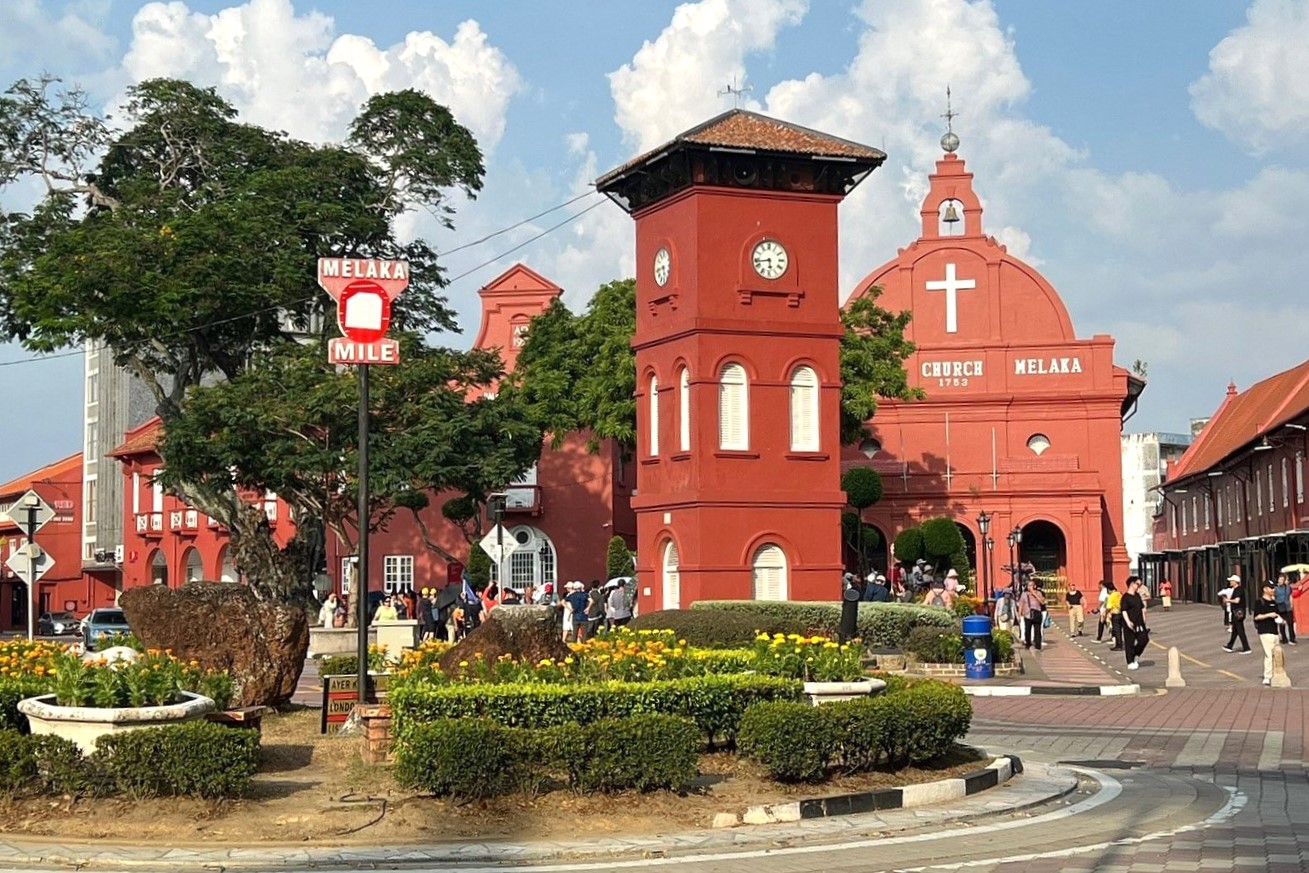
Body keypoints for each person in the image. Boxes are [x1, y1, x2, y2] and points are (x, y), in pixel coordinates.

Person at [1253, 582, 1284, 686]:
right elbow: (1257, 617)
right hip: (1265, 631)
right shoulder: (1259, 602)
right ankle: (1267, 676)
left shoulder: (1274, 602)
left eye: (1273, 588)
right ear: (1265, 589)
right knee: (1269, 654)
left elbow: (1277, 615)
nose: (1273, 590)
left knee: (1276, 654)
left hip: (1275, 630)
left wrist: (1280, 619)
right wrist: (1268, 615)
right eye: (1271, 588)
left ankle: (1276, 673)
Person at [1120, 576, 1147, 670]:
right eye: (1137, 584)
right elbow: (1124, 610)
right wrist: (1128, 622)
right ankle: (1130, 661)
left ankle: (1135, 653)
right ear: (1132, 584)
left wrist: (1144, 619)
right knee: (1129, 643)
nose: (1139, 586)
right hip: (1130, 623)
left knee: (1144, 639)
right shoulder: (1125, 597)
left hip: (1140, 623)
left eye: (1140, 584)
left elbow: (1142, 608)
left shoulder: (1137, 596)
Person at [1223, 578, 1252, 654]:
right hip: (1236, 612)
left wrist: (1228, 600)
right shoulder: (1236, 589)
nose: (1230, 582)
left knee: (1240, 630)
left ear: (1235, 582)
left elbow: (1237, 600)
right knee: (1235, 630)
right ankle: (1230, 646)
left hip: (1238, 613)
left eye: (1231, 581)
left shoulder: (1238, 590)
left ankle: (1246, 648)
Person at [1017, 580, 1047, 650]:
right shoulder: (1024, 594)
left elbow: (1042, 602)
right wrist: (1019, 614)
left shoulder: (1039, 593)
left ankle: (1038, 645)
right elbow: (1021, 604)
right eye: (1029, 585)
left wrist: (1034, 594)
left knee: (1037, 630)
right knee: (1027, 630)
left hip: (1037, 613)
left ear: (1035, 586)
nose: (1030, 587)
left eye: (1031, 585)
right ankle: (1028, 643)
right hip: (1027, 614)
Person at [1274, 574, 1297, 644]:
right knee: (1282, 623)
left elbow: (1290, 596)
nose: (1280, 581)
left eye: (1282, 580)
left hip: (1287, 606)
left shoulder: (1288, 587)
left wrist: (1291, 604)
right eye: (1279, 579)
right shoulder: (1275, 588)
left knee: (1290, 623)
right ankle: (1284, 638)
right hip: (1279, 606)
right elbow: (1273, 597)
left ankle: (1292, 638)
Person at [1106, 583, 1124, 651]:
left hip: (1115, 614)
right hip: (1121, 613)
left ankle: (1119, 645)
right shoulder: (1119, 594)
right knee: (1119, 630)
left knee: (1116, 630)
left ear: (1108, 590)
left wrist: (1106, 614)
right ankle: (1119, 644)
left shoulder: (1111, 596)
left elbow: (1108, 607)